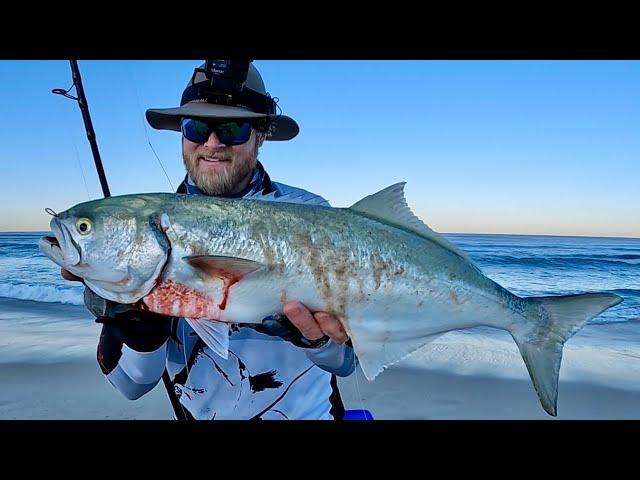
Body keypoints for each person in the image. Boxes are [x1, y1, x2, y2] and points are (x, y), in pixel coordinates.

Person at [62, 60, 357, 420]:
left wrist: (317, 340)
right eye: (196, 127)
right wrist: (139, 330)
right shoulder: (142, 241)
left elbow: (347, 364)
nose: (212, 143)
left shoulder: (313, 217)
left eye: (232, 128)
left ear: (261, 135)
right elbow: (132, 386)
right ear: (182, 135)